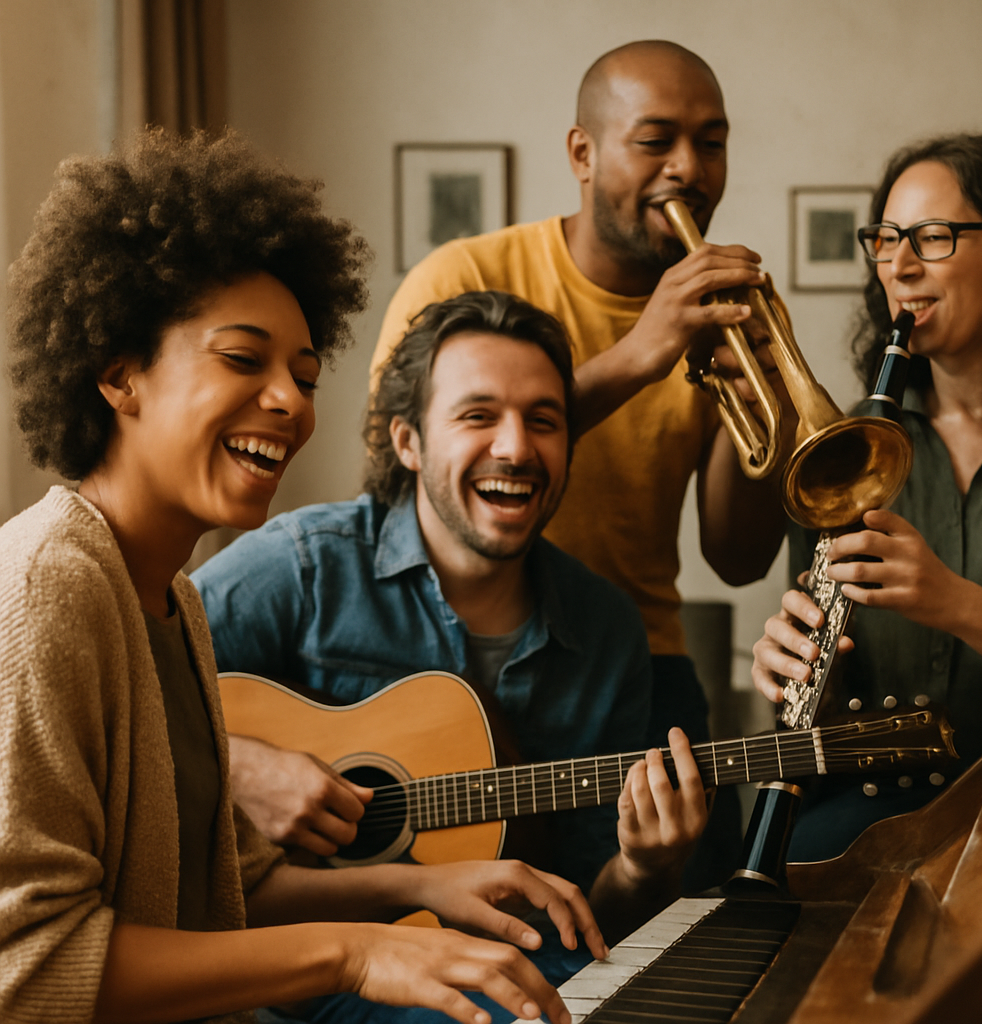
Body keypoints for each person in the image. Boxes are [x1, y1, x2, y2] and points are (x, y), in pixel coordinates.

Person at [0, 130, 605, 1024]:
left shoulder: (171, 604)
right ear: (119, 373)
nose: (290, 400)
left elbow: (232, 893)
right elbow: (28, 967)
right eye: (244, 359)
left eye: (305, 374)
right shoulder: (51, 584)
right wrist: (360, 954)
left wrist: (432, 888)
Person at [193, 290, 710, 1020]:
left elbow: (598, 912)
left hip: (516, 955)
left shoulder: (604, 629)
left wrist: (643, 865)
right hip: (310, 960)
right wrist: (243, 766)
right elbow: (122, 690)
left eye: (544, 421)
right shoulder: (306, 567)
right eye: (478, 416)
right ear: (407, 442)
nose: (515, 448)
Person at [371, 40, 796, 873]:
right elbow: (391, 481)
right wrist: (646, 351)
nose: (689, 168)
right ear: (582, 152)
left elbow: (739, 560)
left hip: (640, 659)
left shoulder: (722, 310)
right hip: (457, 659)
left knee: (702, 918)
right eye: (656, 140)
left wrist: (764, 406)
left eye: (711, 142)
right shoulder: (468, 275)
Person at [751, 133, 982, 862]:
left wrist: (952, 601)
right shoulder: (848, 453)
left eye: (934, 238)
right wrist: (796, 675)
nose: (899, 266)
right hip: (873, 822)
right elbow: (823, 715)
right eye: (887, 239)